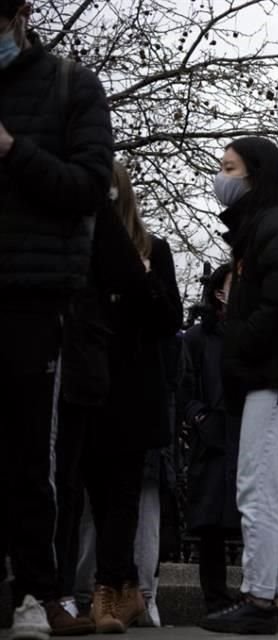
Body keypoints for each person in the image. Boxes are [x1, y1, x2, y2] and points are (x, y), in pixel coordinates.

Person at [0, 1, 113, 637]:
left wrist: (14, 150)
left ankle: (38, 593)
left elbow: (91, 187)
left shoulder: (71, 84)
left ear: (19, 15)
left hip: (33, 293)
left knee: (26, 451)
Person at [200, 137, 278, 636]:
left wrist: (241, 346)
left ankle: (258, 596)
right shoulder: (277, 224)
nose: (220, 176)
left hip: (275, 375)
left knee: (258, 488)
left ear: (254, 172)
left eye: (228, 167)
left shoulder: (269, 226)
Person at [82, 162, 183, 634]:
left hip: (134, 389)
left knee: (122, 490)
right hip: (90, 382)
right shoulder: (81, 247)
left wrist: (143, 281)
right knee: (95, 492)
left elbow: (169, 321)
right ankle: (122, 588)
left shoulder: (153, 249)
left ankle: (109, 589)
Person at [179, 264, 243, 614]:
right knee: (211, 525)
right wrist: (199, 417)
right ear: (219, 291)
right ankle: (215, 597)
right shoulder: (198, 338)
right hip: (214, 436)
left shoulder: (253, 334)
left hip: (248, 434)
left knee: (252, 518)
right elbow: (184, 387)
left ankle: (253, 594)